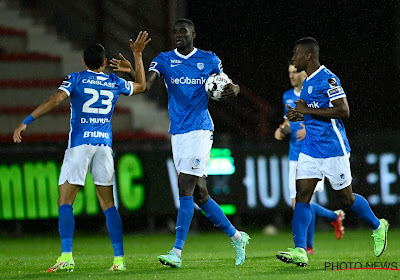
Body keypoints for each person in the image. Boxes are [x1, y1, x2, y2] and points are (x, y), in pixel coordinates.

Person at [110, 18, 250, 268]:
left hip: (200, 130)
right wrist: (135, 62)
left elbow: (228, 85)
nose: (178, 35)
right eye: (174, 32)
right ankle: (238, 237)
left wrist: (235, 90)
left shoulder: (208, 59)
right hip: (178, 133)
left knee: (184, 188)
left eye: (182, 32)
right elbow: (144, 85)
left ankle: (176, 252)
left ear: (193, 34)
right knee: (200, 194)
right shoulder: (164, 60)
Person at [13, 32, 151, 272]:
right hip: (104, 146)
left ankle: (66, 256)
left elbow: (56, 100)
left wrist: (26, 121)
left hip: (79, 144)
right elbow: (141, 85)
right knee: (108, 205)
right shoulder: (113, 82)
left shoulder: (75, 79)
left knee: (65, 200)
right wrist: (136, 57)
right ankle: (119, 261)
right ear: (105, 62)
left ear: (84, 62)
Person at [276, 37, 389, 267]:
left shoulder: (328, 78)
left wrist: (306, 109)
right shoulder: (306, 83)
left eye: (296, 53)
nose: (293, 58)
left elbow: (343, 110)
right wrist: (300, 116)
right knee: (302, 198)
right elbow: (312, 112)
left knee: (346, 198)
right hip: (309, 149)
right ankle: (300, 250)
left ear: (308, 55)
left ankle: (378, 226)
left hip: (333, 148)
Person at [274, 62, 345, 254]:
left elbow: (329, 116)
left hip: (314, 152)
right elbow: (288, 121)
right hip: (294, 154)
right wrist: (282, 130)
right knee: (299, 202)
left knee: (302, 201)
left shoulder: (313, 91)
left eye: (294, 72)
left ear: (303, 74)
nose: (291, 76)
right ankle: (333, 217)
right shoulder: (287, 96)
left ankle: (307, 246)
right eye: (289, 73)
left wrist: (309, 130)